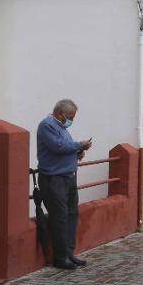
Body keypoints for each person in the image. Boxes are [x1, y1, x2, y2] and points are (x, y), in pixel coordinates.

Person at [37, 99, 92, 270]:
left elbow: (65, 149)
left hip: (68, 177)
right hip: (54, 179)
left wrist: (76, 153)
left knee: (71, 215)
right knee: (59, 217)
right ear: (60, 113)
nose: (72, 120)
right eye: (70, 116)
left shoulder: (61, 128)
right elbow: (58, 147)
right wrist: (79, 144)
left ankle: (69, 253)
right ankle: (60, 258)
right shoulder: (47, 125)